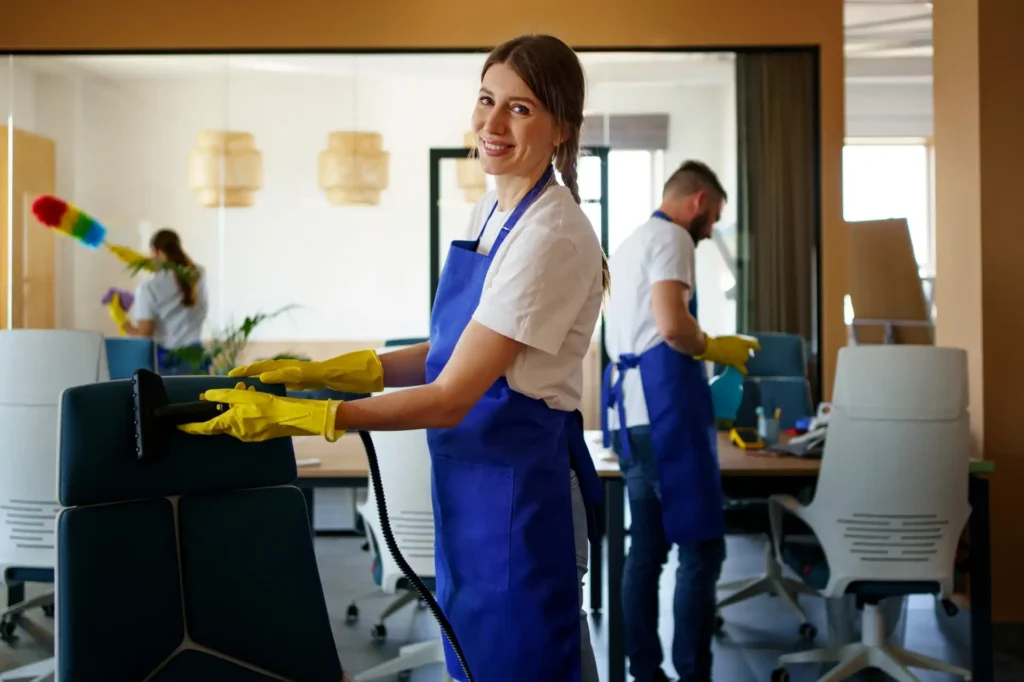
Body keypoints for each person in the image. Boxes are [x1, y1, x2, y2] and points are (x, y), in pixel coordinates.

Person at [181, 34, 605, 682]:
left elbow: (452, 395)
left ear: (560, 129)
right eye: (487, 99)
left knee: (525, 665)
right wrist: (328, 373)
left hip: (521, 496)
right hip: (474, 486)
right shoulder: (492, 209)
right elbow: (456, 348)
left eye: (519, 109)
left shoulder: (551, 235)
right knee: (475, 662)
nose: (491, 123)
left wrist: (307, 417)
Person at [602, 161, 760, 682]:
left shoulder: (628, 245)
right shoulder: (674, 238)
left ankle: (644, 671)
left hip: (628, 412)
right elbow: (672, 326)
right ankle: (694, 674)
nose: (711, 229)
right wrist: (713, 345)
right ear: (697, 202)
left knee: (645, 549)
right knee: (701, 547)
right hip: (664, 412)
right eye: (713, 216)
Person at [117, 228, 209, 375]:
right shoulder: (198, 274)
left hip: (169, 364)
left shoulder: (149, 287)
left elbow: (143, 335)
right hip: (197, 358)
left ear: (155, 251)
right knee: (199, 398)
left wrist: (121, 320)